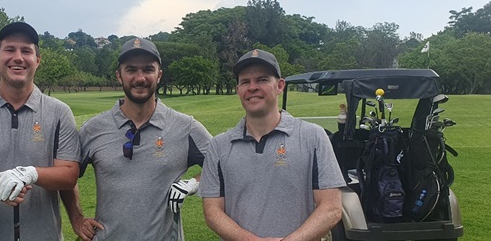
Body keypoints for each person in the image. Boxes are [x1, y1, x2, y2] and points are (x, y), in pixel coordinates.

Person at [61, 38, 212, 241]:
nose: (140, 78)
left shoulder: (186, 127)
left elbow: (223, 166)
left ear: (159, 75)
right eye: (131, 70)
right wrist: (77, 218)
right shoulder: (94, 129)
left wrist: (194, 183)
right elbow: (65, 174)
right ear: (119, 76)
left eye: (148, 69)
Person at [199, 49, 345, 240]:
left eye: (262, 79)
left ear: (280, 85)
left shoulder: (313, 137)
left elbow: (331, 208)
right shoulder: (219, 145)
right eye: (245, 82)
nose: (252, 87)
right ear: (238, 91)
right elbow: (212, 212)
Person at [0, 21, 80, 240]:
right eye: (10, 49)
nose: (18, 57)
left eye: (26, 51)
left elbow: (69, 175)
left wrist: (32, 174)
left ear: (38, 60)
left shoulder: (59, 112)